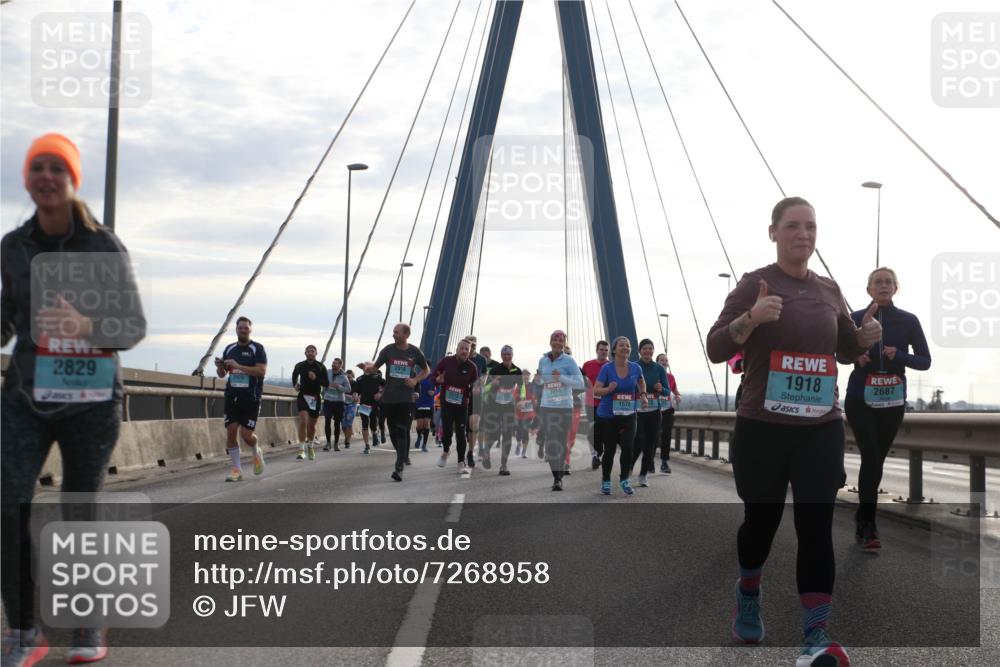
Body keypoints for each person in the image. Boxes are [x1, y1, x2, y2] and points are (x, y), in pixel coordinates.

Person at [706, 196, 879, 666]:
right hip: (763, 426)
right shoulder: (754, 284)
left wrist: (864, 339)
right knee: (760, 524)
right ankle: (748, 588)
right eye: (794, 226)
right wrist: (751, 318)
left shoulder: (829, 289)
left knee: (816, 527)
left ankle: (815, 637)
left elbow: (845, 348)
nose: (804, 234)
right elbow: (716, 347)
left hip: (819, 427)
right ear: (774, 232)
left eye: (811, 227)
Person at [1, 133, 147, 666]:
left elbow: (131, 327)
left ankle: (88, 626)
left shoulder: (103, 246)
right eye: (37, 167)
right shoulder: (13, 246)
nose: (45, 176)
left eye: (56, 168)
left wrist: (88, 325)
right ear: (26, 178)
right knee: (6, 504)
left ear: (72, 179)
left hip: (90, 400)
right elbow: (7, 320)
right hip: (26, 397)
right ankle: (23, 630)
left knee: (79, 509)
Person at [844, 267, 930, 551]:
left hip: (892, 401)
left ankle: (862, 516)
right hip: (860, 399)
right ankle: (869, 525)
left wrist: (900, 355)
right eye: (877, 282)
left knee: (876, 460)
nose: (883, 286)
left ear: (896, 288)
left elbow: (925, 360)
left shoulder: (908, 320)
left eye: (888, 282)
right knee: (870, 455)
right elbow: (838, 355)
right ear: (869, 289)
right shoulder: (855, 318)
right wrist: (857, 356)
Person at [361, 323, 429, 481]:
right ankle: (401, 456)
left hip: (405, 398)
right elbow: (376, 367)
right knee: (393, 432)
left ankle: (399, 468)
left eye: (397, 332)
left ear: (406, 335)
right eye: (393, 332)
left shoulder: (414, 352)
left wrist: (415, 380)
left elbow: (426, 370)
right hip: (389, 398)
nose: (394, 334)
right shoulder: (388, 350)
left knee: (402, 428)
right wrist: (367, 368)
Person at [592, 337, 646, 495]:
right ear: (614, 350)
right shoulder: (607, 369)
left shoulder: (636, 368)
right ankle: (606, 480)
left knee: (628, 447)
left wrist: (642, 395)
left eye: (628, 346)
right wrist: (608, 389)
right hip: (608, 416)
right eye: (622, 345)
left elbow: (641, 382)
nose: (625, 348)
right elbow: (596, 390)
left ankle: (624, 479)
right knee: (609, 450)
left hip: (629, 414)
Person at [216, 317, 268, 481]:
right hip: (232, 396)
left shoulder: (257, 349)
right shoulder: (230, 348)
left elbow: (261, 372)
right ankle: (236, 470)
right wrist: (220, 366)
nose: (243, 330)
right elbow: (223, 374)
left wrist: (238, 365)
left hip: (251, 398)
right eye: (240, 328)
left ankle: (256, 451)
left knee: (246, 435)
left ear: (250, 330)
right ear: (236, 329)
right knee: (231, 431)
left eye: (246, 328)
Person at [536, 330, 585, 491]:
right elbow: (541, 380)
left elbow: (580, 383)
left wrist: (561, 378)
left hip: (564, 407)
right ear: (550, 342)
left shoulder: (569, 361)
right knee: (551, 443)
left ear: (564, 343)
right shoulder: (542, 361)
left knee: (563, 443)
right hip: (547, 407)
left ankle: (561, 467)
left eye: (561, 340)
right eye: (555, 339)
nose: (558, 342)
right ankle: (557, 478)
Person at [432, 339, 480, 474]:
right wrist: (437, 380)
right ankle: (446, 450)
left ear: (469, 352)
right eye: (462, 348)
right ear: (457, 349)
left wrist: (475, 390)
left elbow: (475, 385)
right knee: (446, 431)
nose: (464, 351)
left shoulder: (472, 367)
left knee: (461, 433)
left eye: (467, 349)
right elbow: (433, 376)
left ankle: (461, 462)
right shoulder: (446, 362)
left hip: (462, 405)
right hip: (447, 404)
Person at [484, 345, 523, 475]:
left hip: (508, 407)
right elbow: (486, 388)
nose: (507, 356)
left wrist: (521, 399)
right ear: (501, 356)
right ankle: (486, 451)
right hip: (494, 406)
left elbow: (522, 387)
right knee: (495, 434)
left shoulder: (517, 370)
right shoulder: (495, 369)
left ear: (512, 355)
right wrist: (492, 383)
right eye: (504, 354)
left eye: (509, 354)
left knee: (507, 435)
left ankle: (503, 466)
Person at [633, 339, 668, 487]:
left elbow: (667, 391)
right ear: (639, 351)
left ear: (653, 351)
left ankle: (643, 474)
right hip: (637, 411)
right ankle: (628, 470)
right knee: (639, 443)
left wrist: (661, 389)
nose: (648, 351)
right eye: (645, 349)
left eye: (650, 349)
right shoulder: (634, 367)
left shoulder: (659, 369)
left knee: (650, 445)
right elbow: (627, 387)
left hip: (654, 411)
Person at [292, 345, 328, 460]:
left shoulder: (321, 366)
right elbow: (294, 375)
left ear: (316, 353)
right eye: (308, 351)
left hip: (315, 398)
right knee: (303, 421)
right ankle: (301, 449)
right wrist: (295, 384)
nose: (310, 353)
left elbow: (326, 383)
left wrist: (315, 378)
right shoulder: (300, 365)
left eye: (312, 351)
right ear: (305, 353)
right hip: (303, 395)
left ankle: (310, 446)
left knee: (311, 425)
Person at [582, 341, 610, 470]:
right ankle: (594, 456)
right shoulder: (587, 365)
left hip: (606, 403)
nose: (603, 352)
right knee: (592, 431)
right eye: (601, 349)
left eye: (606, 350)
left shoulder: (611, 365)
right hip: (590, 403)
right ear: (597, 350)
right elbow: (580, 381)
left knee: (604, 431)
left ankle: (600, 453)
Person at [656, 353, 682, 473]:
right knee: (653, 436)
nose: (664, 362)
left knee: (666, 435)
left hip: (667, 409)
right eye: (661, 360)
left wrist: (678, 396)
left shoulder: (670, 377)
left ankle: (664, 463)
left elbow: (676, 392)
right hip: (653, 409)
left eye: (666, 360)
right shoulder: (651, 375)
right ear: (656, 362)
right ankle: (649, 460)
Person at [322, 357, 352, 451]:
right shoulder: (328, 372)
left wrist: (338, 386)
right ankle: (328, 443)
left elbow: (348, 389)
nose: (333, 364)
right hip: (327, 400)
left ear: (340, 365)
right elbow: (322, 381)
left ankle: (336, 444)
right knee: (327, 420)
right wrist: (326, 385)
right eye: (333, 363)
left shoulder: (344, 376)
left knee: (337, 423)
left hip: (339, 402)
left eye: (335, 363)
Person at [353, 364, 383, 454]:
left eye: (368, 366)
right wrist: (355, 395)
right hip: (364, 405)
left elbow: (387, 386)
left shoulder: (377, 377)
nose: (366, 368)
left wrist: (380, 393)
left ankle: (374, 433)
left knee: (373, 422)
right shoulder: (359, 379)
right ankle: (367, 445)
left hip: (374, 404)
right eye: (365, 367)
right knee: (365, 424)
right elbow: (356, 391)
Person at [414, 375, 436, 453]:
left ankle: (424, 445)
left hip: (429, 404)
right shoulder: (419, 377)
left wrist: (434, 392)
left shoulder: (433, 378)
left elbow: (439, 388)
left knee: (426, 424)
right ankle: (419, 436)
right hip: (419, 403)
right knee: (420, 425)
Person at [341, 370, 359, 448]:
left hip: (352, 405)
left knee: (349, 423)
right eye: (346, 377)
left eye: (349, 377)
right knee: (343, 425)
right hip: (343, 404)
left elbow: (357, 393)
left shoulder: (355, 383)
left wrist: (356, 397)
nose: (348, 378)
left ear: (352, 376)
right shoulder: (343, 383)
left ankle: (347, 441)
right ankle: (347, 437)